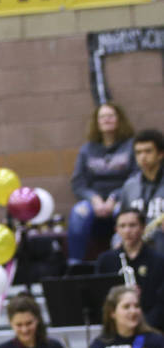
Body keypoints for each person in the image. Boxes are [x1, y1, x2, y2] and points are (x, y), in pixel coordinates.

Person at [68, 101, 136, 263]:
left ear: (120, 120)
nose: (107, 120)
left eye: (111, 116)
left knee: (126, 217)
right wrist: (94, 199)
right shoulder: (87, 150)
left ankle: (122, 261)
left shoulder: (131, 145)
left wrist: (115, 197)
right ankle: (74, 264)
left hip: (122, 199)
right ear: (96, 123)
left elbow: (135, 178)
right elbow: (78, 183)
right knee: (78, 213)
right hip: (94, 201)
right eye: (102, 117)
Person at [95, 209, 164, 329]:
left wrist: (146, 326)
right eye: (122, 226)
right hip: (117, 327)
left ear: (142, 227)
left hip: (152, 327)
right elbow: (101, 299)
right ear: (116, 230)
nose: (127, 231)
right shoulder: (105, 260)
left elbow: (161, 302)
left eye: (132, 225)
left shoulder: (158, 260)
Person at [118, 128, 164, 256]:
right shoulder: (129, 186)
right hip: (135, 243)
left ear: (160, 154)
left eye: (148, 151)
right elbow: (122, 219)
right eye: (138, 152)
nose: (142, 157)